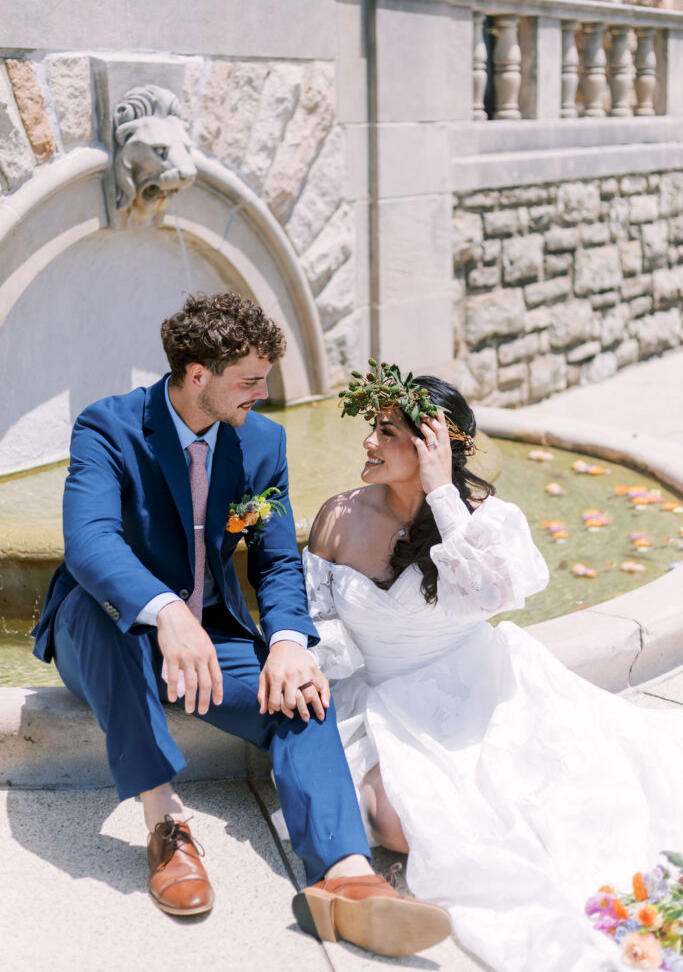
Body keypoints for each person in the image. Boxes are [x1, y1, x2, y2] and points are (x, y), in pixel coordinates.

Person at [31, 297, 450, 957]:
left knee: (303, 689)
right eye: (250, 380)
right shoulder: (108, 426)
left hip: (216, 633)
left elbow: (280, 561)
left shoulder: (261, 439)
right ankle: (165, 823)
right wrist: (165, 612)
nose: (263, 392)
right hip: (108, 632)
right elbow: (89, 542)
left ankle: (345, 876)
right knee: (93, 607)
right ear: (198, 375)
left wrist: (286, 641)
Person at [304, 362, 683, 972]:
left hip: (474, 685)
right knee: (397, 825)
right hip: (380, 697)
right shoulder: (338, 515)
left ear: (435, 446)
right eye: (371, 428)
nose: (369, 443)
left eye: (388, 432)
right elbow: (318, 617)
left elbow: (496, 596)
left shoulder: (485, 516)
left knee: (551, 803)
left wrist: (441, 495)